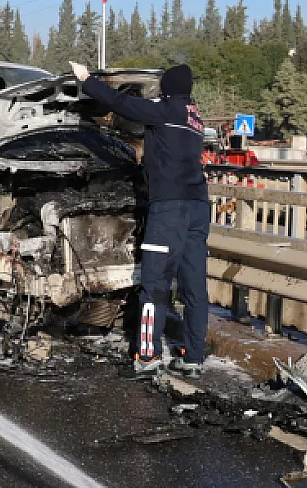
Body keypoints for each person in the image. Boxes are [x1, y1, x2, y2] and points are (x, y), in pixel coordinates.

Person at [72, 61, 210, 377]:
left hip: (170, 210)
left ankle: (147, 356)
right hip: (198, 207)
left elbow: (121, 104)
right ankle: (194, 356)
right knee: (194, 286)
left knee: (154, 284)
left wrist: (87, 81)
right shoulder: (194, 117)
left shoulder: (167, 110)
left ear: (167, 88)